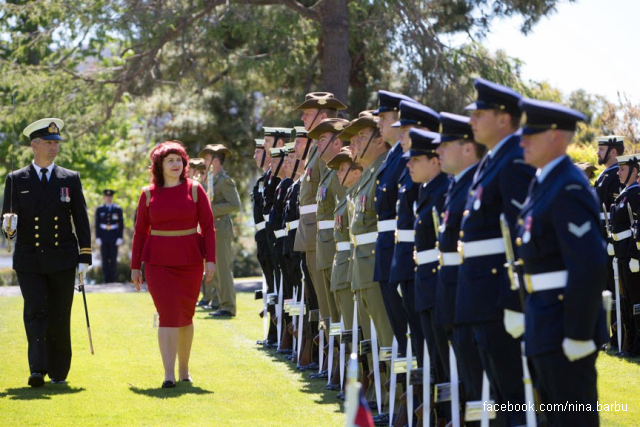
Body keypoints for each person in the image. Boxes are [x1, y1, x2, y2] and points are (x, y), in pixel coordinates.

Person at [517, 98, 607, 427]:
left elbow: (590, 263)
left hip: (563, 328)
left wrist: (578, 333)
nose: (522, 139)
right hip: (543, 322)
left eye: (532, 133)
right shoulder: (542, 183)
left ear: (556, 137)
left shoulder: (568, 185)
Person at [458, 78, 535, 426]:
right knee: (500, 398)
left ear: (503, 118)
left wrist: (512, 299)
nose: (472, 121)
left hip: (499, 297)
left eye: (480, 114)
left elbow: (522, 237)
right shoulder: (493, 160)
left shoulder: (515, 160)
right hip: (481, 295)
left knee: (514, 398)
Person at [2, 118, 92, 387]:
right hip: (30, 258)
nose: (54, 148)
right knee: (35, 311)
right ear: (34, 145)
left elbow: (81, 219)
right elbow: (8, 223)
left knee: (60, 314)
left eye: (56, 143)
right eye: (49, 143)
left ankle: (59, 371)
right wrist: (8, 228)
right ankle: (37, 370)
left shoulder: (69, 178)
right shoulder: (17, 179)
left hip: (63, 257)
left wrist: (84, 256)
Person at [130, 141, 216, 388]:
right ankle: (168, 374)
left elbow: (209, 228)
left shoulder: (196, 190)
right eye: (170, 160)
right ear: (159, 165)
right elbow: (139, 233)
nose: (176, 164)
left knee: (186, 316)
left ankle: (184, 370)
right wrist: (135, 267)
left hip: (190, 262)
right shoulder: (148, 194)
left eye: (179, 159)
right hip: (158, 264)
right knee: (167, 314)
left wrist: (211, 260)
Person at [434, 112, 486, 412]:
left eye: (446, 144)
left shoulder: (471, 185)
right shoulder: (458, 184)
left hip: (471, 296)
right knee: (468, 380)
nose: (438, 150)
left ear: (468, 148)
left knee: (481, 386)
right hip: (454, 293)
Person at [199, 144, 241, 318]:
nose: (205, 163)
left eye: (208, 159)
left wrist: (210, 209)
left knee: (223, 270)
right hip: (212, 229)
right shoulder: (211, 180)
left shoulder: (224, 180)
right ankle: (218, 301)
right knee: (214, 270)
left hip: (221, 229)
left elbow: (234, 205)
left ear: (216, 160)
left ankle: (228, 306)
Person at [95, 189, 124, 283]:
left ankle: (112, 279)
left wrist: (120, 237)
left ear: (112, 197)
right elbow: (97, 224)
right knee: (104, 257)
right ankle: (106, 279)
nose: (108, 198)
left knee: (113, 257)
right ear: (104, 197)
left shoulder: (117, 209)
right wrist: (97, 237)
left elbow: (121, 224)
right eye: (106, 196)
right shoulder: (100, 209)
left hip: (114, 235)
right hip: (103, 236)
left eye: (110, 196)